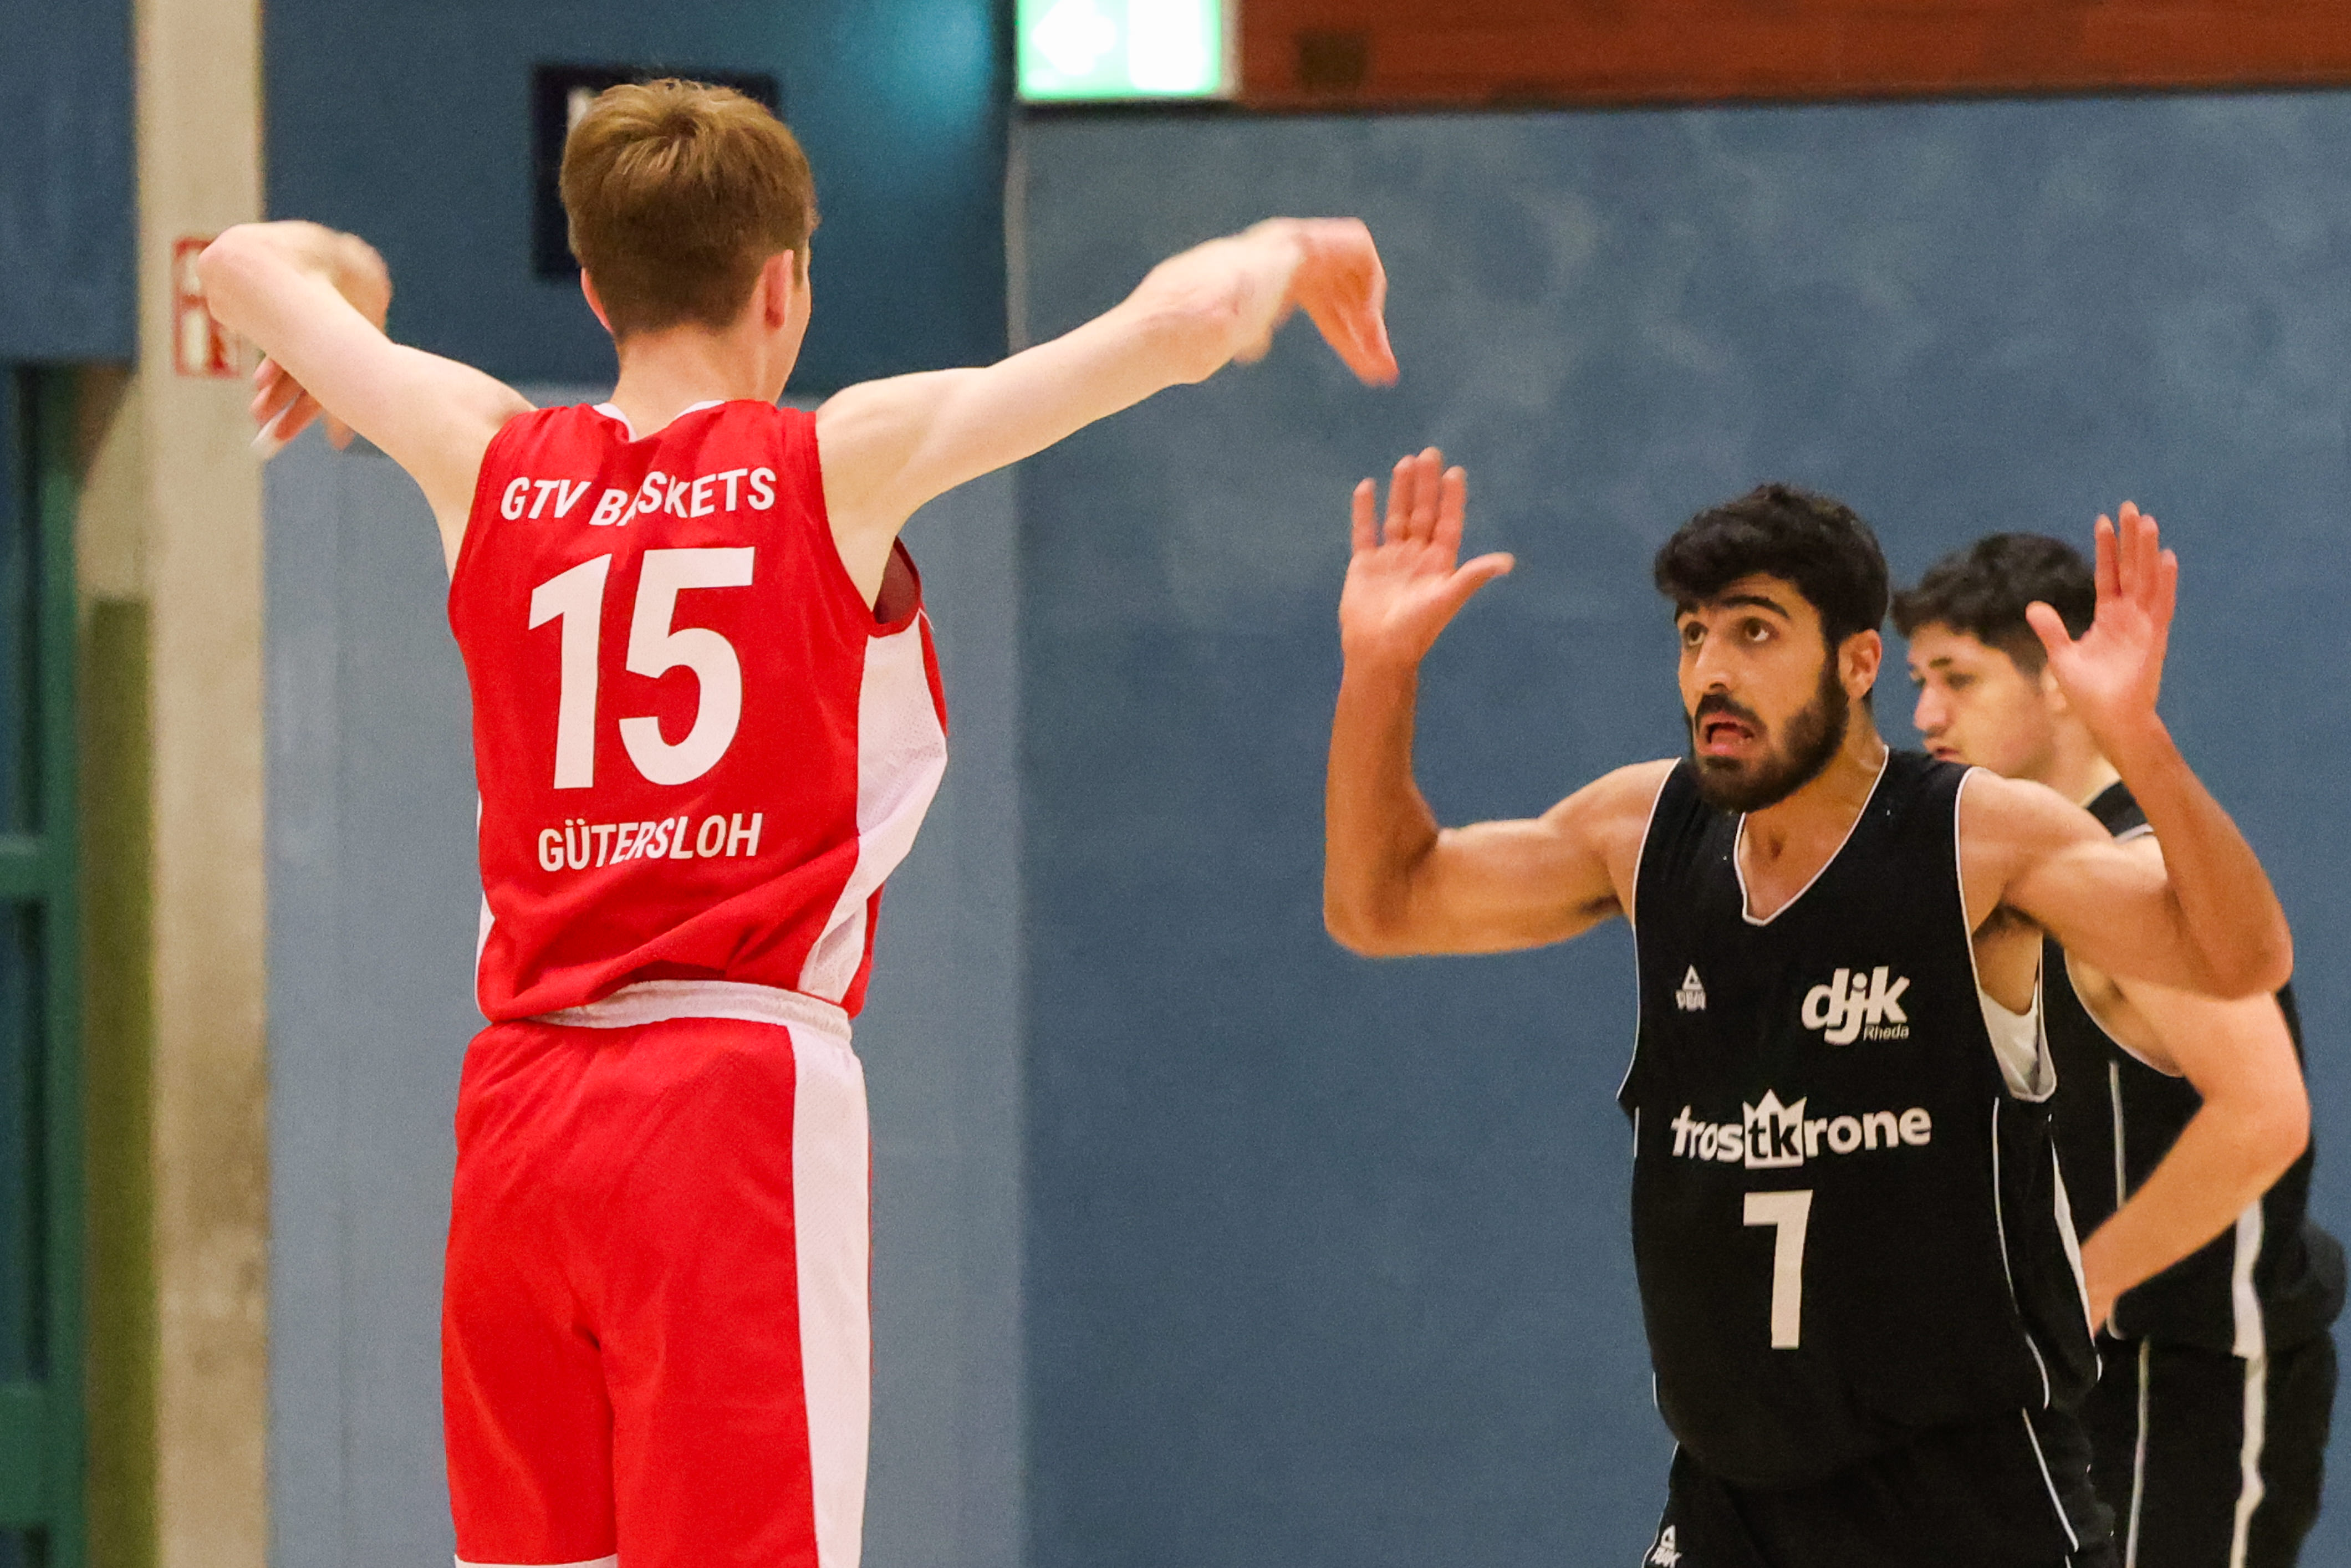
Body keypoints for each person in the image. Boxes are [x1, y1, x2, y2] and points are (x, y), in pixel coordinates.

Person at [197, 79, 1399, 1568]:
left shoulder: (482, 451)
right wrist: (1285, 248)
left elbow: (239, 265)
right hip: (726, 1098)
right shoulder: (836, 460)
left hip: (518, 1114)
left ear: (594, 288)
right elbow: (1179, 325)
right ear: (785, 285)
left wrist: (352, 282)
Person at [1323, 453, 2297, 1567]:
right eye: (1693, 634)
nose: (1711, 671)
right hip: (1731, 1494)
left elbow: (2238, 957)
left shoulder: (1975, 837)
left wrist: (2139, 740)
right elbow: (1380, 904)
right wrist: (1378, 669)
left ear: (1857, 660)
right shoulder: (1641, 829)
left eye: (1754, 632)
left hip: (1959, 1498)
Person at [1898, 533, 2341, 1568]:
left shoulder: (2135, 874)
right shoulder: (2012, 875)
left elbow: (2264, 1114)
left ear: (2059, 682)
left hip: (2182, 1380)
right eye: (1917, 680)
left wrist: (2084, 1285)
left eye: (1957, 678)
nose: (1923, 715)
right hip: (2069, 1385)